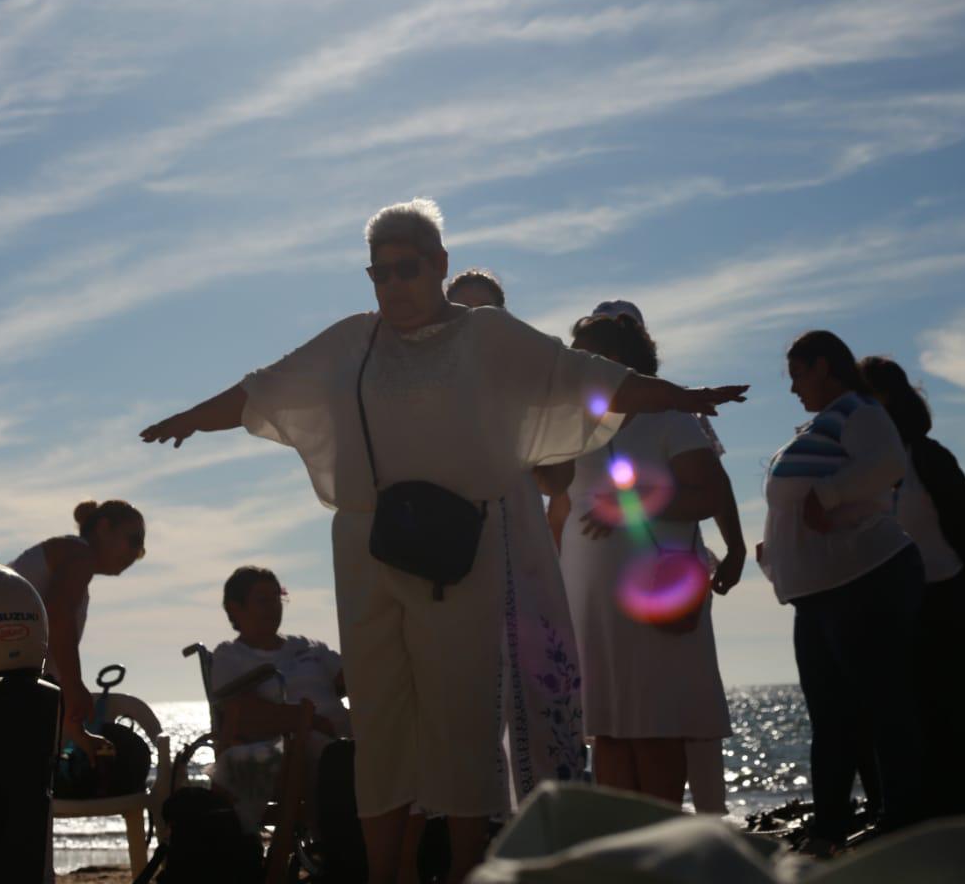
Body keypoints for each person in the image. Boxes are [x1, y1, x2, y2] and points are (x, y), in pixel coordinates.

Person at [142, 198, 747, 884]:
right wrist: (191, 417)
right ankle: (384, 875)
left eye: (408, 269)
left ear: (439, 265)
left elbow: (583, 377)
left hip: (457, 552)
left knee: (462, 718)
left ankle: (463, 868)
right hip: (367, 546)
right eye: (380, 272)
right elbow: (265, 390)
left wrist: (680, 396)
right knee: (380, 725)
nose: (394, 284)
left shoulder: (486, 334)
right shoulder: (351, 341)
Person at [553, 312, 733, 810]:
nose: (577, 368)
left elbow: (711, 494)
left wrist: (629, 508)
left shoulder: (668, 419)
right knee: (608, 731)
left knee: (655, 728)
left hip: (653, 597)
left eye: (587, 357)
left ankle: (659, 841)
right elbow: (555, 502)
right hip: (591, 601)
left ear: (616, 361)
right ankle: (624, 844)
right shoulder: (574, 426)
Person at [759, 330, 922, 856]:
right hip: (820, 594)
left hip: (865, 578)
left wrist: (827, 494)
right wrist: (776, 553)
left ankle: (903, 825)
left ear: (823, 366)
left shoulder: (859, 410)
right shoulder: (821, 424)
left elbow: (889, 463)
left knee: (881, 707)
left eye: (797, 375)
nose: (793, 389)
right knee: (830, 718)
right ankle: (829, 831)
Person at [447, 264, 586, 798]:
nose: (475, 322)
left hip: (521, 543)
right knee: (466, 692)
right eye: (462, 312)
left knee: (541, 681)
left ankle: (549, 816)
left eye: (485, 311)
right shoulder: (424, 386)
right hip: (451, 553)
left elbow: (557, 480)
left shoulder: (528, 385)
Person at [860, 356, 965, 817]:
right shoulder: (864, 465)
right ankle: (909, 823)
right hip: (891, 609)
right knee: (902, 724)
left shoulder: (930, 457)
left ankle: (964, 826)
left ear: (885, 397)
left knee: (957, 722)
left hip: (947, 603)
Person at [210, 566, 350, 835]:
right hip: (300, 747)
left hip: (348, 738)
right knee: (338, 758)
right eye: (263, 600)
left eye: (278, 598)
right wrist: (309, 721)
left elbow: (358, 679)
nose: (274, 607)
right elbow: (242, 713)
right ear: (235, 608)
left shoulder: (308, 647)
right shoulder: (229, 657)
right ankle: (337, 846)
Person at [12, 499, 146, 754]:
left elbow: (52, 652)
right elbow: (58, 615)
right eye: (134, 540)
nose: (136, 553)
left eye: (141, 550)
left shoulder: (72, 559)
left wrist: (77, 731)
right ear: (104, 528)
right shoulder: (80, 554)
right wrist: (74, 684)